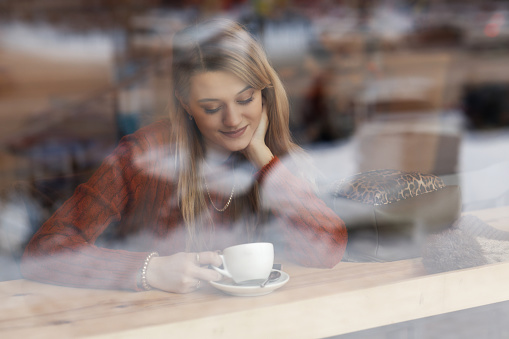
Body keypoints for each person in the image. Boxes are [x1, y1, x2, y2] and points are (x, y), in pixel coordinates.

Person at [20, 18, 347, 293]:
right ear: (186, 104)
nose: (232, 120)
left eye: (245, 99)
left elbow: (326, 251)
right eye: (212, 107)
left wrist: (263, 158)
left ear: (264, 94)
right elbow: (45, 251)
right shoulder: (145, 153)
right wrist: (148, 270)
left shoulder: (271, 154)